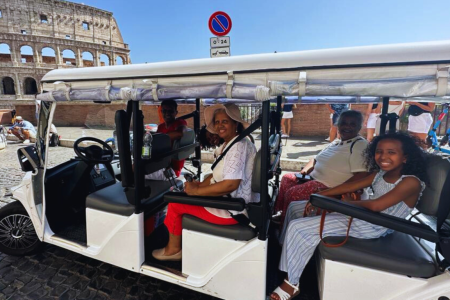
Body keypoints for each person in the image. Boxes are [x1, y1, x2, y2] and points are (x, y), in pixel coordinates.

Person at [271, 132, 428, 300]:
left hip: (376, 225)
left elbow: (376, 205)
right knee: (296, 207)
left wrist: (341, 205)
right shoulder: (379, 174)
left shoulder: (411, 182)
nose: (383, 156)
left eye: (391, 152)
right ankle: (286, 250)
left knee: (299, 228)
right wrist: (322, 195)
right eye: (379, 151)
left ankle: (291, 283)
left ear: (405, 157)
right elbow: (352, 186)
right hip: (364, 216)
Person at [152, 103, 259, 261]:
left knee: (175, 204)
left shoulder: (238, 147)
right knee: (182, 195)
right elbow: (216, 174)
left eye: (225, 121)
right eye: (217, 122)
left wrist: (196, 192)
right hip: (231, 202)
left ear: (235, 123)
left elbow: (230, 184)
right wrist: (198, 186)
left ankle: (173, 250)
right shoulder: (232, 143)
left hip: (233, 210)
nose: (220, 125)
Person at [274, 110, 369, 225]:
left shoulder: (359, 145)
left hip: (328, 187)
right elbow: (315, 159)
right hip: (312, 178)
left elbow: (361, 175)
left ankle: (284, 223)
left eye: (352, 124)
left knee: (292, 193)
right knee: (287, 178)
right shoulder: (337, 141)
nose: (347, 127)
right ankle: (280, 213)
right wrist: (304, 171)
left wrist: (336, 191)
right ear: (338, 125)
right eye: (343, 123)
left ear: (359, 127)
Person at [144, 99, 187, 180]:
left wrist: (160, 138)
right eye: (164, 111)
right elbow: (156, 144)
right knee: (136, 165)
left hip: (170, 170)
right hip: (160, 164)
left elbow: (180, 133)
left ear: (176, 113)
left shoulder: (180, 123)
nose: (167, 113)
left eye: (170, 111)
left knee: (136, 171)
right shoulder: (161, 127)